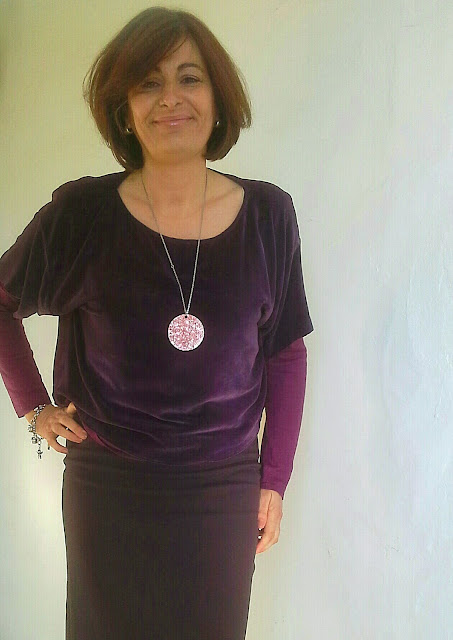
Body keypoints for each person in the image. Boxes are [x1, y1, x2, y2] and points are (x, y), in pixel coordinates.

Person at [0, 7, 313, 640]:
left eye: (189, 78)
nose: (170, 97)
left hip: (223, 486)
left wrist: (273, 480)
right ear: (124, 110)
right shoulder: (82, 215)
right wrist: (32, 406)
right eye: (148, 83)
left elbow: (285, 354)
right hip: (109, 483)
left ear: (218, 99)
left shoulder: (269, 217)